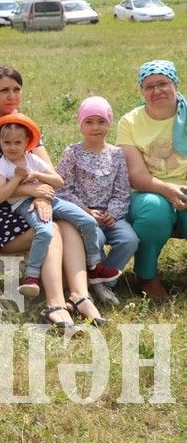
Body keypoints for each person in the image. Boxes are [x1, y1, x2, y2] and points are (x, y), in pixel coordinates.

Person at [0, 65, 106, 329]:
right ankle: (55, 304)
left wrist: (42, 197)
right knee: (51, 226)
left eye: (16, 89)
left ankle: (79, 295)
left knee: (68, 223)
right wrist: (31, 191)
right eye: (4, 90)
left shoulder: (24, 125)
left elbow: (48, 172)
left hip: (29, 203)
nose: (11, 96)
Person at [0, 112, 119, 297]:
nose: (12, 147)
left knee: (88, 221)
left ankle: (94, 266)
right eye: (7, 142)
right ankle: (31, 276)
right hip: (25, 204)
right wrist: (17, 178)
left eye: (17, 143)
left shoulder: (32, 159)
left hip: (51, 198)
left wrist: (37, 175)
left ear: (27, 143)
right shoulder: (1, 166)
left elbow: (58, 181)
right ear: (0, 142)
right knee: (45, 230)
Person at [57, 96, 139, 306]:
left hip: (111, 216)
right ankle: (92, 279)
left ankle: (101, 282)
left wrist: (113, 212)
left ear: (109, 123)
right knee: (97, 240)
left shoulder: (117, 154)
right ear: (81, 124)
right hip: (84, 216)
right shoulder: (72, 153)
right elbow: (63, 189)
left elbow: (122, 190)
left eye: (101, 121)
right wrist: (86, 211)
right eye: (89, 122)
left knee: (129, 239)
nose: (95, 128)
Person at [117, 60, 187, 300]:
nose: (157, 91)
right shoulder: (130, 122)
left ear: (175, 84)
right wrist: (167, 189)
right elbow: (136, 175)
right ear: (141, 91)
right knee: (154, 211)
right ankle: (146, 275)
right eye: (149, 86)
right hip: (147, 191)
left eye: (163, 84)